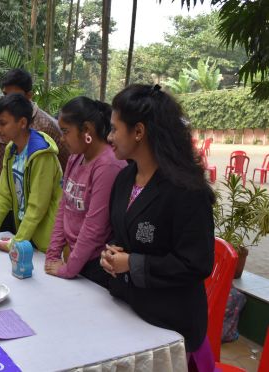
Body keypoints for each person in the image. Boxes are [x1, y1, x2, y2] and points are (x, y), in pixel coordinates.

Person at [99, 84, 215, 364]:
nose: (109, 137)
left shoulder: (187, 190)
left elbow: (195, 264)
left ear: (138, 131)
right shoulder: (125, 179)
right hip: (128, 307)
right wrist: (112, 255)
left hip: (168, 324)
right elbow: (123, 236)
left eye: (115, 129)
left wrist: (131, 263)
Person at [0, 94, 62, 252]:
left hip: (46, 241)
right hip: (25, 235)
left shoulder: (42, 154)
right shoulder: (11, 150)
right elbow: (4, 196)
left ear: (22, 122)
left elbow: (37, 206)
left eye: (2, 123)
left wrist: (15, 243)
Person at [45, 97, 126, 279]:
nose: (62, 138)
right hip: (77, 260)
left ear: (87, 130)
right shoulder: (76, 157)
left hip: (98, 264)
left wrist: (68, 269)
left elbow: (94, 227)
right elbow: (63, 208)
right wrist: (52, 255)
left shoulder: (107, 166)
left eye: (66, 132)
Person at [0, 68, 69, 199]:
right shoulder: (1, 124)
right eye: (5, 95)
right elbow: (0, 168)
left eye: (15, 96)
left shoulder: (47, 127)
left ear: (29, 96)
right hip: (6, 202)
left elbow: (65, 170)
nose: (9, 101)